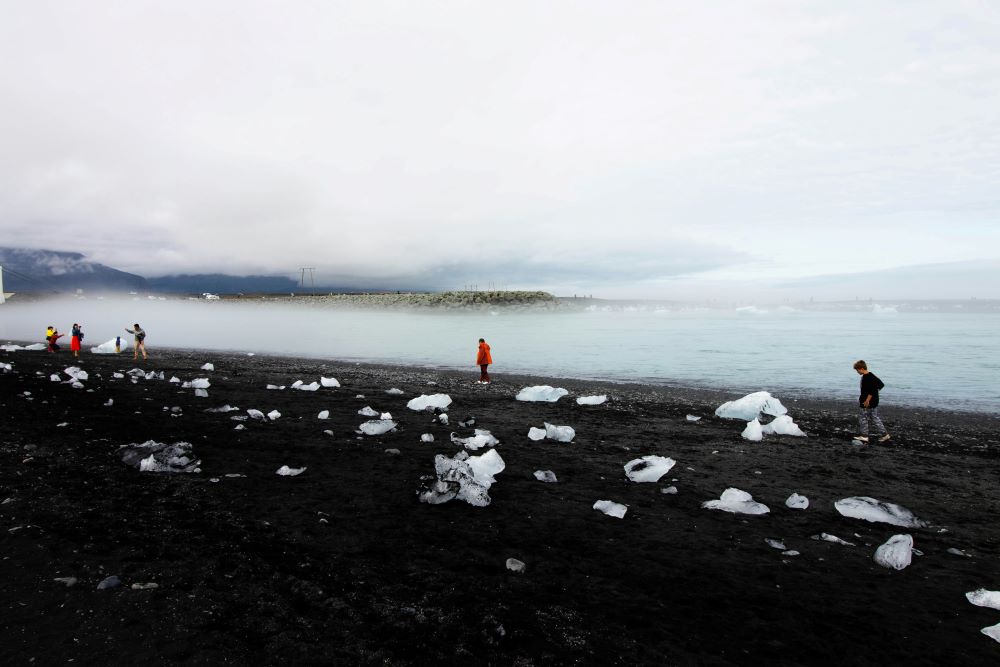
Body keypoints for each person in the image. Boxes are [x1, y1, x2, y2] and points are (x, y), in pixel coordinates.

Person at [853, 360, 890, 443]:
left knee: (863, 418)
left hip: (867, 401)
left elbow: (871, 390)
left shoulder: (866, 378)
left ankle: (864, 436)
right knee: (874, 417)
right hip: (875, 401)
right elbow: (881, 385)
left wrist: (867, 400)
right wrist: (875, 394)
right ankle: (885, 435)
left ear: (862, 368)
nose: (857, 372)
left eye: (857, 370)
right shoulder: (872, 375)